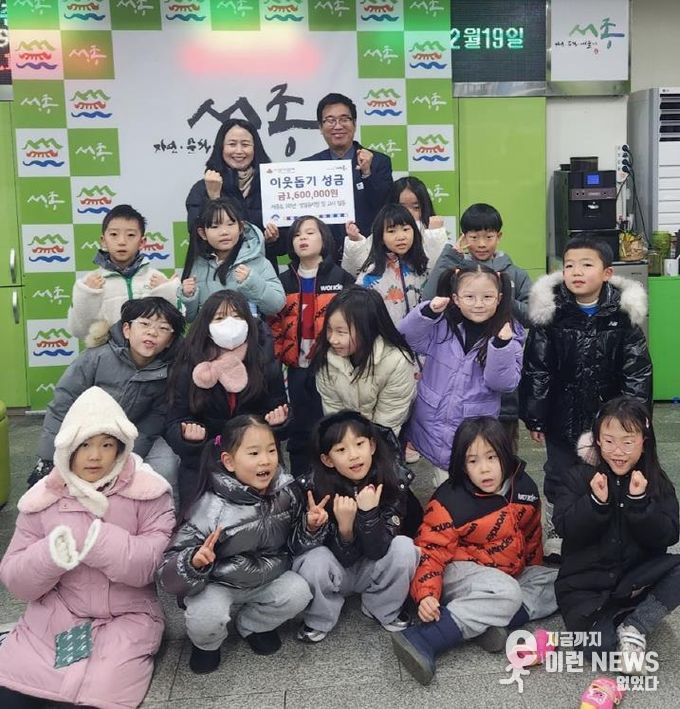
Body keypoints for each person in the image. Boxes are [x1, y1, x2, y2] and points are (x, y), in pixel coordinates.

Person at [0, 387, 175, 708]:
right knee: (15, 688)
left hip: (127, 617)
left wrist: (97, 541)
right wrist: (51, 553)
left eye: (106, 444)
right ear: (68, 448)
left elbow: (153, 565)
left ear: (120, 447)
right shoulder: (43, 498)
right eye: (84, 445)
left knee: (99, 690)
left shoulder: (148, 492)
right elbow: (16, 582)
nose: (95, 456)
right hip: (55, 617)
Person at [391, 417, 557, 686]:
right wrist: (426, 595)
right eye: (473, 461)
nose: (485, 469)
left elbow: (531, 538)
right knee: (508, 592)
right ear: (462, 464)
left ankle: (488, 621)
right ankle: (425, 637)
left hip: (506, 573)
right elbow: (429, 552)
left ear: (506, 455)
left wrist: (533, 572)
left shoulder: (524, 488)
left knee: (558, 581)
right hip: (458, 573)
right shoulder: (450, 501)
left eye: (492, 457)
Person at [519, 236, 652, 560]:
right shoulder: (552, 313)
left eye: (586, 265)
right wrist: (536, 416)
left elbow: (637, 371)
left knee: (610, 467)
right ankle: (558, 528)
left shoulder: (622, 315)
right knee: (560, 471)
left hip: (610, 415)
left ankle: (609, 525)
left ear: (607, 273)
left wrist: (635, 418)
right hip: (561, 413)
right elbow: (537, 368)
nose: (576, 272)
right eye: (569, 265)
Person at [158, 415, 312, 674]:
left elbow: (296, 543)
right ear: (229, 461)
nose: (265, 460)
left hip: (267, 577)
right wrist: (193, 562)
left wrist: (311, 528)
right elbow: (166, 574)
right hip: (218, 583)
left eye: (271, 450)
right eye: (254, 453)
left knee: (299, 592)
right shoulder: (209, 507)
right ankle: (207, 645)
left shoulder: (287, 492)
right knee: (206, 617)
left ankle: (253, 625)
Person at [553, 397, 680, 675]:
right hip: (584, 588)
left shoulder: (655, 480)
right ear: (597, 440)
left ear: (644, 441)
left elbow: (669, 535)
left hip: (634, 581)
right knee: (598, 649)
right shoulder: (578, 477)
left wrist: (639, 503)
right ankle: (628, 624)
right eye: (609, 441)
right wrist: (594, 503)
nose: (618, 451)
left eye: (628, 442)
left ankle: (635, 626)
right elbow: (564, 528)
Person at [29, 297, 185, 489]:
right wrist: (49, 456)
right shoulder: (96, 357)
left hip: (131, 436)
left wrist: (126, 457)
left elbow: (154, 420)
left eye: (163, 328)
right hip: (84, 433)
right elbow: (63, 403)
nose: (152, 332)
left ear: (170, 341)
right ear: (127, 330)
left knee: (167, 466)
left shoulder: (170, 372)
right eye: (144, 324)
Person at [291, 411, 419, 643]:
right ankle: (320, 617)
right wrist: (326, 528)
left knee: (404, 547)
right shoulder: (311, 486)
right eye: (341, 450)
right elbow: (297, 548)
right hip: (336, 571)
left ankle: (382, 607)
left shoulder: (393, 480)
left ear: (372, 446)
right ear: (327, 460)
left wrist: (369, 514)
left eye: (359, 444)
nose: (353, 455)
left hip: (372, 566)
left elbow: (379, 550)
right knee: (312, 559)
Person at [398, 264, 523, 487]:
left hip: (474, 429)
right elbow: (407, 338)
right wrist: (427, 313)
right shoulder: (442, 324)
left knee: (472, 483)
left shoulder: (510, 331)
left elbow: (503, 383)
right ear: (456, 298)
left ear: (499, 298)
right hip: (434, 422)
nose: (478, 304)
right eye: (470, 297)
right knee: (443, 482)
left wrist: (501, 346)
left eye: (487, 297)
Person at [423, 202, 532, 452]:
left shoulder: (515, 274)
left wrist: (502, 296)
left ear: (499, 236)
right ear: (464, 237)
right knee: (461, 448)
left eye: (488, 237)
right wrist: (449, 255)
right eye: (474, 237)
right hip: (460, 377)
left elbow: (533, 316)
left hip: (502, 384)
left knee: (502, 450)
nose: (482, 244)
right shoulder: (456, 271)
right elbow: (428, 298)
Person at [165, 290, 289, 508]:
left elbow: (278, 409)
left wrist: (279, 422)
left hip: (254, 460)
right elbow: (174, 420)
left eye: (237, 316)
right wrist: (187, 436)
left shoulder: (264, 360)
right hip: (203, 461)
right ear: (206, 325)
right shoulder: (189, 364)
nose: (229, 323)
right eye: (220, 318)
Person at [267, 215, 354, 475]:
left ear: (324, 239)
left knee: (334, 427)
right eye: (296, 235)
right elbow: (273, 325)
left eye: (309, 232)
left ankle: (335, 480)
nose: (302, 238)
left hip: (333, 365)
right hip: (296, 369)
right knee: (301, 430)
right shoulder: (281, 281)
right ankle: (301, 483)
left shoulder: (342, 278)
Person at [312, 285, 416, 436]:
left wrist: (366, 446)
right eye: (329, 329)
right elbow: (333, 413)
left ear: (367, 329)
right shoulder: (327, 357)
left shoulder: (396, 362)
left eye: (341, 332)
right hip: (345, 438)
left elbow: (388, 423)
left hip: (383, 439)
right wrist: (346, 444)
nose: (332, 339)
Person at [185, 118, 285, 271]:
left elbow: (286, 246)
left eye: (245, 144)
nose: (239, 151)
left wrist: (272, 241)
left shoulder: (272, 185)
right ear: (221, 148)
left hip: (260, 274)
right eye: (232, 144)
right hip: (215, 274)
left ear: (255, 148)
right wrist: (213, 198)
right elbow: (197, 238)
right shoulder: (203, 188)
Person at [67, 204, 178, 340]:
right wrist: (88, 296)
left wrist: (167, 292)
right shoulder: (90, 284)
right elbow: (78, 331)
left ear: (142, 242)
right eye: (114, 234)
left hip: (151, 351)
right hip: (109, 352)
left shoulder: (157, 279)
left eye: (130, 235)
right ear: (103, 241)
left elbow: (174, 326)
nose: (122, 241)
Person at [303, 93, 393, 260]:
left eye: (344, 119)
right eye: (330, 120)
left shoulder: (378, 161)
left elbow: (384, 206)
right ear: (320, 127)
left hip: (370, 254)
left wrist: (367, 173)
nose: (338, 126)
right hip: (324, 258)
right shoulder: (308, 167)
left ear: (354, 123)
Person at [178, 197, 285, 322]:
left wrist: (251, 282)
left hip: (248, 333)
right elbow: (189, 318)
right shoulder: (197, 266)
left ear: (241, 227)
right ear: (203, 233)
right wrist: (188, 296)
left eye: (230, 224)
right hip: (209, 334)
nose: (224, 232)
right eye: (215, 226)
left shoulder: (258, 262)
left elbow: (276, 305)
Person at [346, 204, 444, 326]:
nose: (401, 237)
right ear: (381, 238)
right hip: (386, 336)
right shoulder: (371, 273)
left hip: (423, 334)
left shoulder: (423, 265)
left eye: (406, 229)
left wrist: (436, 234)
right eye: (391, 231)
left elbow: (440, 271)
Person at [342, 176, 448, 278]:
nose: (409, 213)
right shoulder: (382, 233)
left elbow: (440, 273)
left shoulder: (433, 233)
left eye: (416, 207)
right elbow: (358, 271)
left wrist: (435, 235)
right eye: (402, 208)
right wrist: (355, 242)